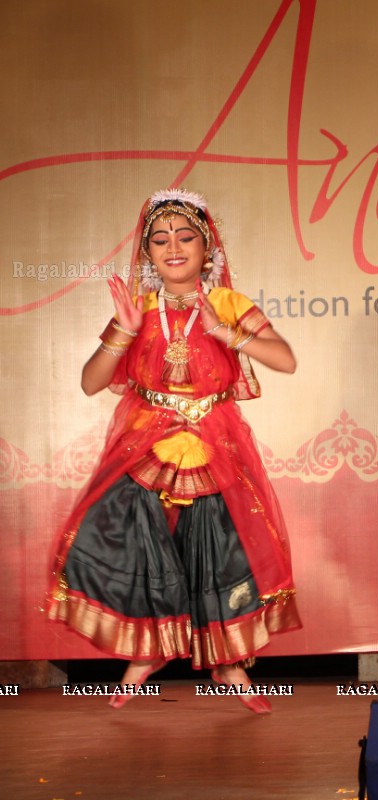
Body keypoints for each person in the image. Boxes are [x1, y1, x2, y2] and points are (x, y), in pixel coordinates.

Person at [46, 189, 301, 713]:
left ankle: (229, 663)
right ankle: (148, 651)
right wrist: (123, 330)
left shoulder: (228, 303)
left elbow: (285, 359)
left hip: (214, 441)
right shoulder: (138, 307)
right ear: (148, 254)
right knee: (132, 539)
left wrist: (226, 333)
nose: (174, 247)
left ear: (208, 250)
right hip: (149, 440)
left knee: (218, 545)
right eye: (160, 240)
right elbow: (92, 382)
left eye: (186, 237)